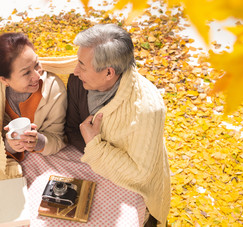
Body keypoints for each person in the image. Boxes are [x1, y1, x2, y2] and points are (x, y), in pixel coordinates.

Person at [65, 24, 170, 226]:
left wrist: (94, 144)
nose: (76, 70)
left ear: (108, 73)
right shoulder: (79, 82)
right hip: (97, 176)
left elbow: (141, 175)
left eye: (82, 66)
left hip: (136, 192)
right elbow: (72, 128)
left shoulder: (147, 110)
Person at [0, 32, 76, 184]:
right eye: (26, 73)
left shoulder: (54, 89)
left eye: (36, 64)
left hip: (45, 161)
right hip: (6, 165)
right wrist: (10, 145)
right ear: (4, 80)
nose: (37, 76)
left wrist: (39, 141)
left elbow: (58, 138)